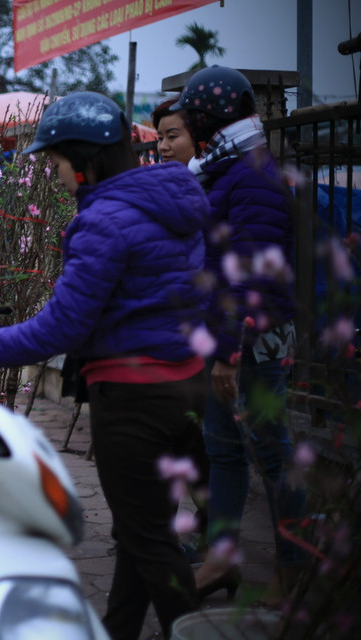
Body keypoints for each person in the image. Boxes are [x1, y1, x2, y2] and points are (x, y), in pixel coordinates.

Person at [0, 92, 210, 640]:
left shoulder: (104, 222)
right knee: (142, 530)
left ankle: (198, 631)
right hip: (183, 386)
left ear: (85, 163)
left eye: (58, 164)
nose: (57, 176)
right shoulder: (171, 199)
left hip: (133, 399)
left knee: (150, 540)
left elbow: (66, 326)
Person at [169, 65, 304, 606]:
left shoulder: (249, 176)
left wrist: (227, 350)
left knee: (271, 455)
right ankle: (221, 562)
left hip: (252, 341)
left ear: (211, 119)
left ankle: (295, 572)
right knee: (223, 450)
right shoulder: (227, 169)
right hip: (229, 340)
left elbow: (249, 272)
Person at [151, 96, 211, 561]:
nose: (164, 146)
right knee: (179, 442)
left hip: (198, 338)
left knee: (195, 446)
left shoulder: (208, 189)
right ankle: (165, 536)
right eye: (160, 138)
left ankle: (204, 542)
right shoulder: (171, 188)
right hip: (173, 337)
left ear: (199, 138)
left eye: (174, 136)